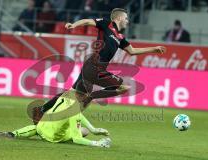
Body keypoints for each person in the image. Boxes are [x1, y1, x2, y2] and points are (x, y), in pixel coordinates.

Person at [32, 8, 166, 124]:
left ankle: (41, 110)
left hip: (93, 67)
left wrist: (154, 49)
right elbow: (87, 21)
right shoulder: (107, 24)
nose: (127, 21)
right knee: (123, 87)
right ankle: (88, 99)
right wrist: (74, 25)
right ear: (118, 18)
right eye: (126, 18)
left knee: (72, 93)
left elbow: (132, 51)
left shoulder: (120, 37)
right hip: (95, 65)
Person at [0, 89, 111, 148]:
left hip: (42, 125)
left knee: (36, 128)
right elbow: (77, 139)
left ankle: (12, 134)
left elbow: (79, 115)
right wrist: (96, 143)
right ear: (83, 99)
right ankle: (63, 132)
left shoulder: (66, 94)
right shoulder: (74, 112)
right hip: (53, 136)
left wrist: (93, 129)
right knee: (82, 132)